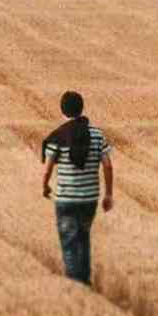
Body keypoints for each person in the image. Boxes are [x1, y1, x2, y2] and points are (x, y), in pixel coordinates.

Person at [41, 91, 113, 286]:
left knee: (69, 241)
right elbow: (107, 165)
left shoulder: (58, 136)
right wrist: (108, 194)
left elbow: (48, 168)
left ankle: (76, 285)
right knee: (83, 237)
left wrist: (45, 186)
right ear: (82, 109)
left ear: (62, 110)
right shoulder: (97, 135)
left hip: (66, 198)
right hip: (89, 198)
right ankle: (85, 280)